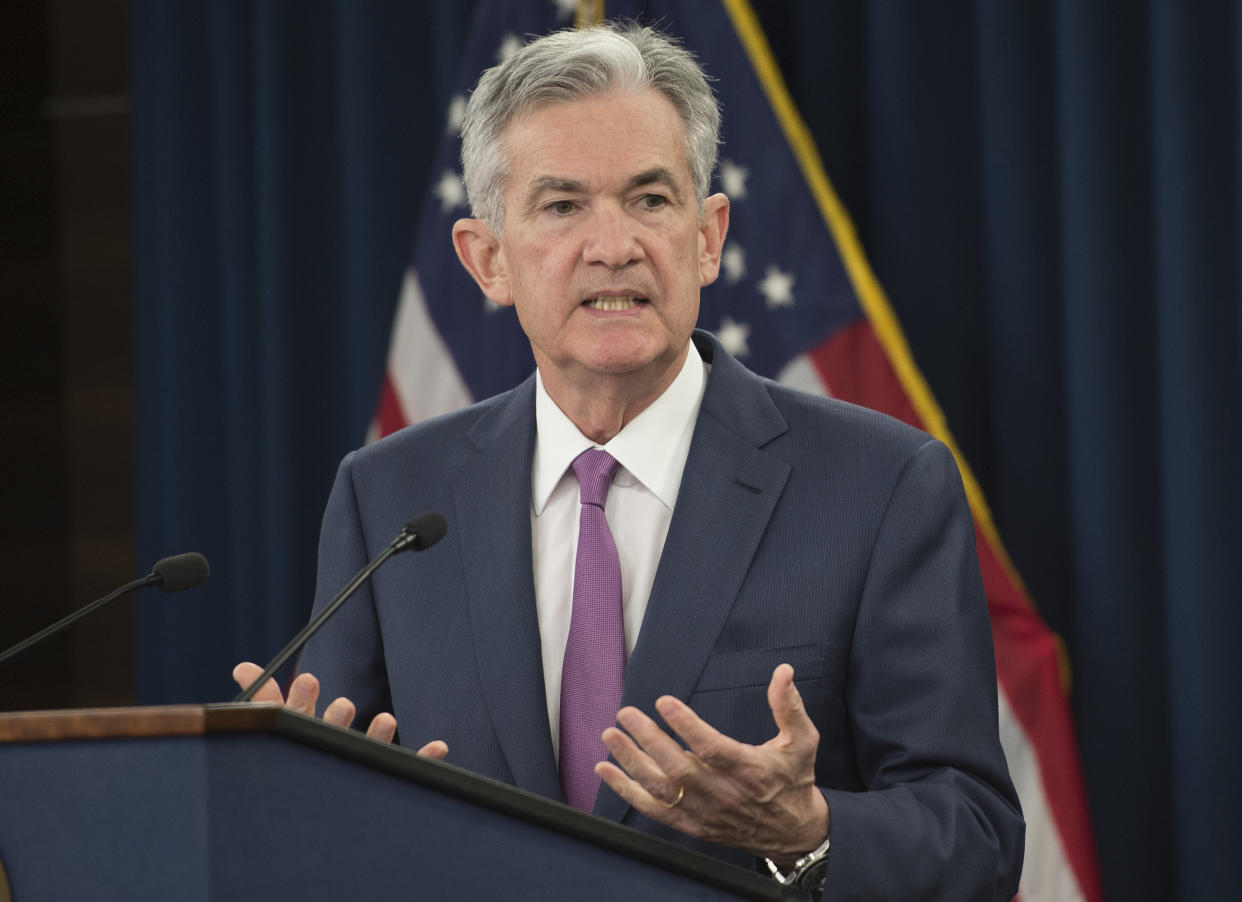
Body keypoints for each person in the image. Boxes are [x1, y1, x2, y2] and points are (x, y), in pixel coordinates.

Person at [235, 21, 1023, 899]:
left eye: (650, 199)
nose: (614, 246)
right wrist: (283, 789)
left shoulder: (878, 487)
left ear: (709, 235)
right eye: (563, 206)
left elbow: (977, 836)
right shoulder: (389, 497)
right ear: (488, 258)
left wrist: (809, 834)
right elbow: (335, 823)